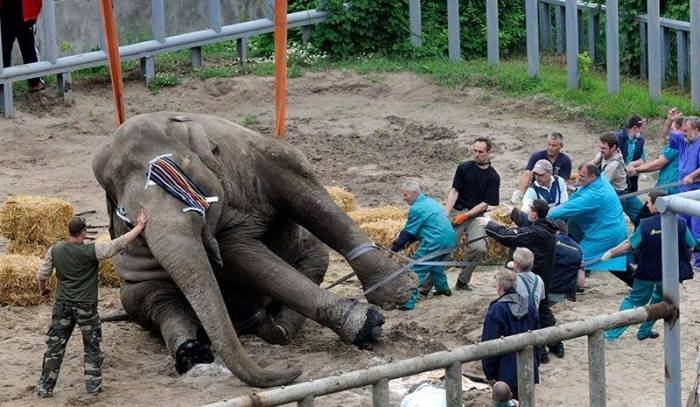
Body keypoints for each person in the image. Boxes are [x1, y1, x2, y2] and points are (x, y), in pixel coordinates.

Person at [36, 209, 148, 398]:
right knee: (91, 347)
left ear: (69, 232)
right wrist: (139, 226)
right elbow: (117, 244)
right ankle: (93, 388)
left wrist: (43, 289)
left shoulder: (55, 249)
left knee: (54, 348)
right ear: (84, 233)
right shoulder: (92, 250)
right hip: (86, 307)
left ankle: (45, 388)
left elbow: (41, 275)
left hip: (62, 306)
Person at [601, 192, 695, 341]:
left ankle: (612, 334)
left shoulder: (645, 224)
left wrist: (611, 253)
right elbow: (691, 245)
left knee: (634, 300)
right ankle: (644, 330)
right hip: (670, 274)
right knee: (659, 302)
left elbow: (630, 244)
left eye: (649, 203)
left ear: (656, 205)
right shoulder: (680, 223)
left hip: (647, 272)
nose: (647, 205)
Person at [479, 199, 562, 362]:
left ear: (534, 213)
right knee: (543, 311)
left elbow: (508, 236)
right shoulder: (547, 226)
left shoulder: (535, 233)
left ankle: (542, 353)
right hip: (542, 277)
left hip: (530, 277)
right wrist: (514, 212)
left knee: (531, 315)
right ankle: (556, 345)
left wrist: (489, 224)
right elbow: (530, 224)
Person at [549, 164, 628, 273]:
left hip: (606, 234)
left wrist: (546, 214)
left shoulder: (595, 194)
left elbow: (567, 209)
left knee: (578, 259)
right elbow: (575, 197)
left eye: (582, 176)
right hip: (604, 228)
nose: (579, 179)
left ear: (592, 176)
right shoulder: (598, 181)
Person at [444, 137, 500, 290]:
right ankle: (426, 286)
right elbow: (454, 191)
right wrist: (446, 214)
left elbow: (485, 204)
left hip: (476, 215)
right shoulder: (464, 168)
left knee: (479, 248)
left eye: (480, 152)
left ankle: (463, 281)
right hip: (457, 210)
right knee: (445, 246)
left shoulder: (493, 177)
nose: (476, 154)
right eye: (474, 151)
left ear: (489, 153)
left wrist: (467, 216)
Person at [391, 180, 456, 310]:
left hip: (434, 241)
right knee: (435, 266)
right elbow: (422, 227)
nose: (404, 199)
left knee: (415, 269)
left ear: (414, 193)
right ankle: (444, 289)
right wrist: (408, 242)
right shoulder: (430, 202)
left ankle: (408, 302)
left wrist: (393, 249)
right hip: (449, 238)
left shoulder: (416, 209)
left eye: (405, 195)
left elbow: (407, 232)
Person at [481, 269, 539, 400]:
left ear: (500, 287)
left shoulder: (496, 310)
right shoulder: (530, 306)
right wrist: (536, 361)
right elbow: (538, 338)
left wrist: (489, 373)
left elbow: (489, 345)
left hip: (504, 371)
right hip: (529, 366)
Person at [626, 108, 682, 195]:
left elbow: (657, 164)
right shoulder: (681, 141)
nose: (671, 133)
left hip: (668, 189)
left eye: (672, 129)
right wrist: (669, 121)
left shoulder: (677, 145)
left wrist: (635, 170)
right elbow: (665, 135)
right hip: (666, 185)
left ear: (682, 131)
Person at [512, 132, 572, 205]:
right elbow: (527, 174)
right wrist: (520, 192)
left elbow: (563, 181)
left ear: (561, 146)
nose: (550, 148)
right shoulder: (537, 156)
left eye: (554, 145)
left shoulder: (565, 161)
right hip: (536, 187)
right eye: (549, 144)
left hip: (554, 189)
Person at [1, 0, 45, 91]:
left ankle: (35, 81)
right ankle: (2, 84)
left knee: (29, 49)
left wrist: (35, 10)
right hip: (5, 12)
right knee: (3, 51)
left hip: (26, 13)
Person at [549, 219, 584, 304]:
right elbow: (581, 280)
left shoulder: (550, 241)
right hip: (564, 293)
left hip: (548, 289)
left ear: (555, 231)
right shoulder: (579, 249)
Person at [616, 115, 647, 193]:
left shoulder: (640, 140)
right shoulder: (618, 137)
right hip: (618, 176)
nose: (643, 131)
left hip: (632, 175)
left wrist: (632, 164)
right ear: (635, 128)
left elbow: (642, 159)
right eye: (642, 128)